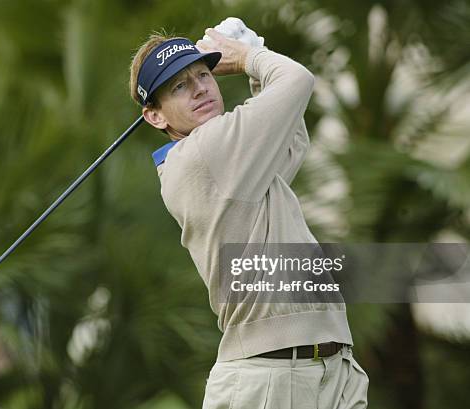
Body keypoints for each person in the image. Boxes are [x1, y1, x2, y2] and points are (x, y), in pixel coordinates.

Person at [128, 26, 369, 409]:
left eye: (203, 74)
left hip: (329, 369)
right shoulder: (206, 150)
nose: (200, 88)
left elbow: (293, 141)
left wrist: (253, 56)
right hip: (269, 379)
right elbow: (297, 80)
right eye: (179, 87)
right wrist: (246, 56)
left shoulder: (232, 161)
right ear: (155, 117)